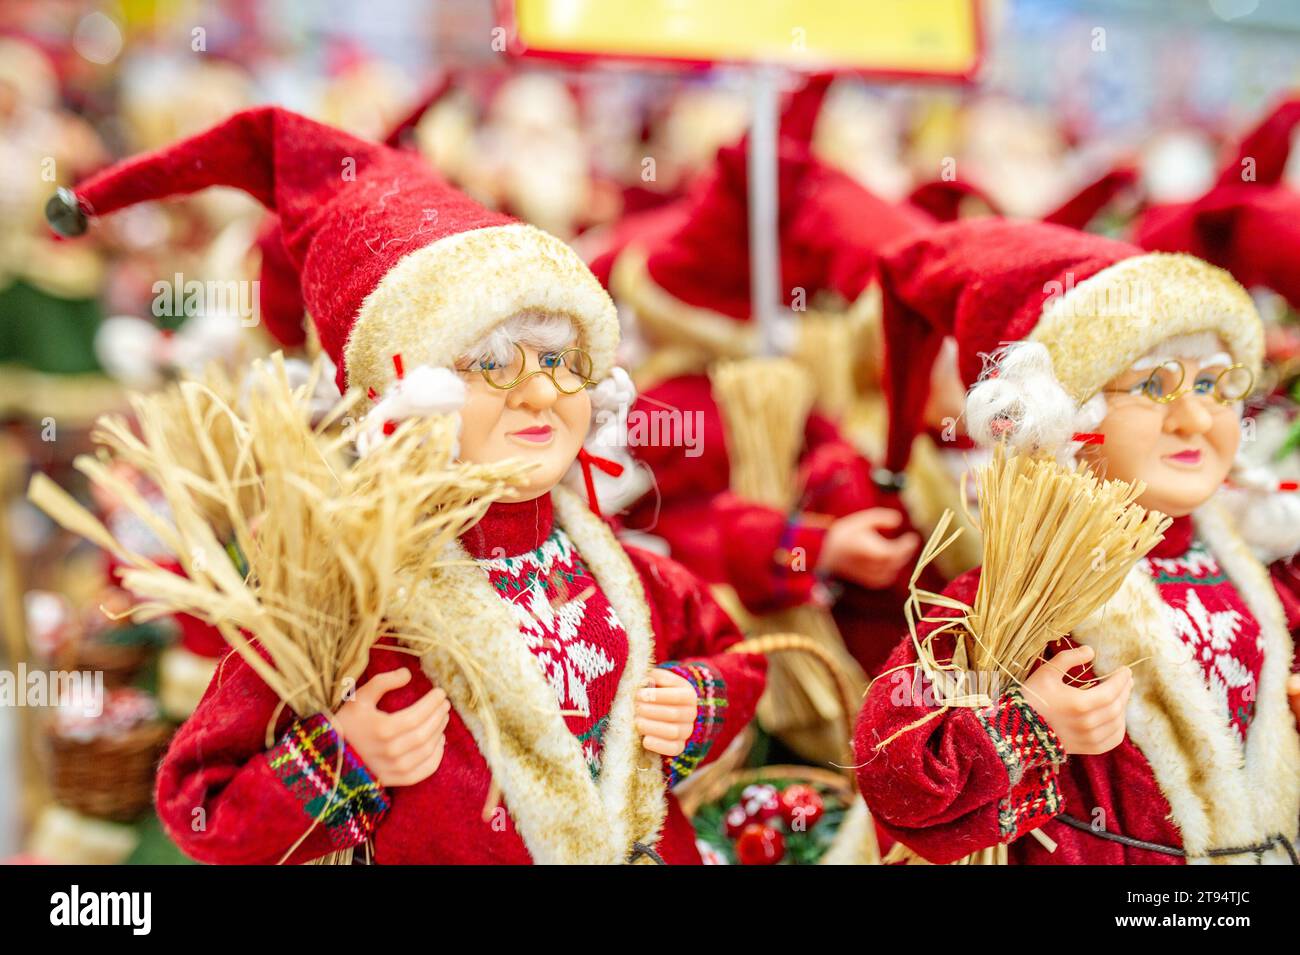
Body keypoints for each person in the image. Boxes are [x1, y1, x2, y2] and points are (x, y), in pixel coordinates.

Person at [46, 105, 766, 865]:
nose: (540, 393)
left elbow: (735, 656)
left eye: (559, 361)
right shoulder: (342, 602)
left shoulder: (617, 570)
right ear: (400, 398)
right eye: (493, 364)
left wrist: (697, 701)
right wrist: (342, 757)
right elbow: (202, 806)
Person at [854, 218, 1300, 864]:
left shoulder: (1259, 574)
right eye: (1155, 385)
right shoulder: (1019, 604)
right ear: (1064, 420)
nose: (1196, 416)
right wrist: (1027, 725)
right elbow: (894, 771)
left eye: (1212, 385)